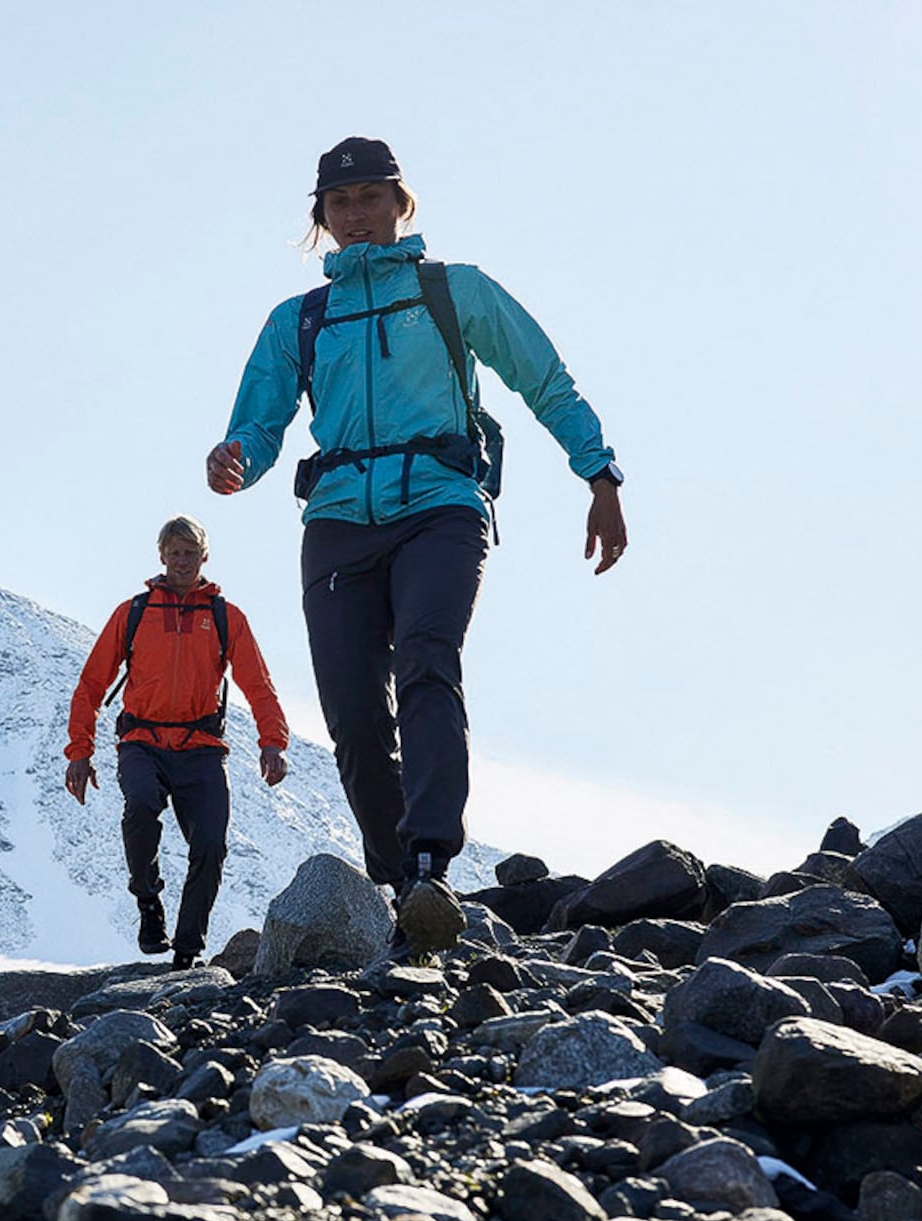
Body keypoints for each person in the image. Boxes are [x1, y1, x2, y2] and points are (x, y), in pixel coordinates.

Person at [208, 136, 627, 961]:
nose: (356, 214)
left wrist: (599, 472)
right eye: (339, 202)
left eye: (371, 197)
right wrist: (236, 461)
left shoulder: (454, 291)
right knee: (354, 715)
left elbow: (544, 376)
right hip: (337, 520)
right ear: (321, 218)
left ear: (403, 203)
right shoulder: (300, 319)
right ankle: (400, 884)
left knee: (428, 659)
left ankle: (432, 861)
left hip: (441, 506)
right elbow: (257, 424)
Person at [65, 516, 290, 969]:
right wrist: (80, 752)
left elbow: (258, 684)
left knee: (210, 844)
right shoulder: (134, 613)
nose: (182, 562)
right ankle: (148, 902)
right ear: (162, 556)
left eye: (190, 554)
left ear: (204, 557)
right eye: (174, 554)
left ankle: (186, 951)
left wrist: (273, 741)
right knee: (141, 804)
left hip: (201, 747)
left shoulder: (225, 617)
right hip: (141, 741)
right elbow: (91, 684)